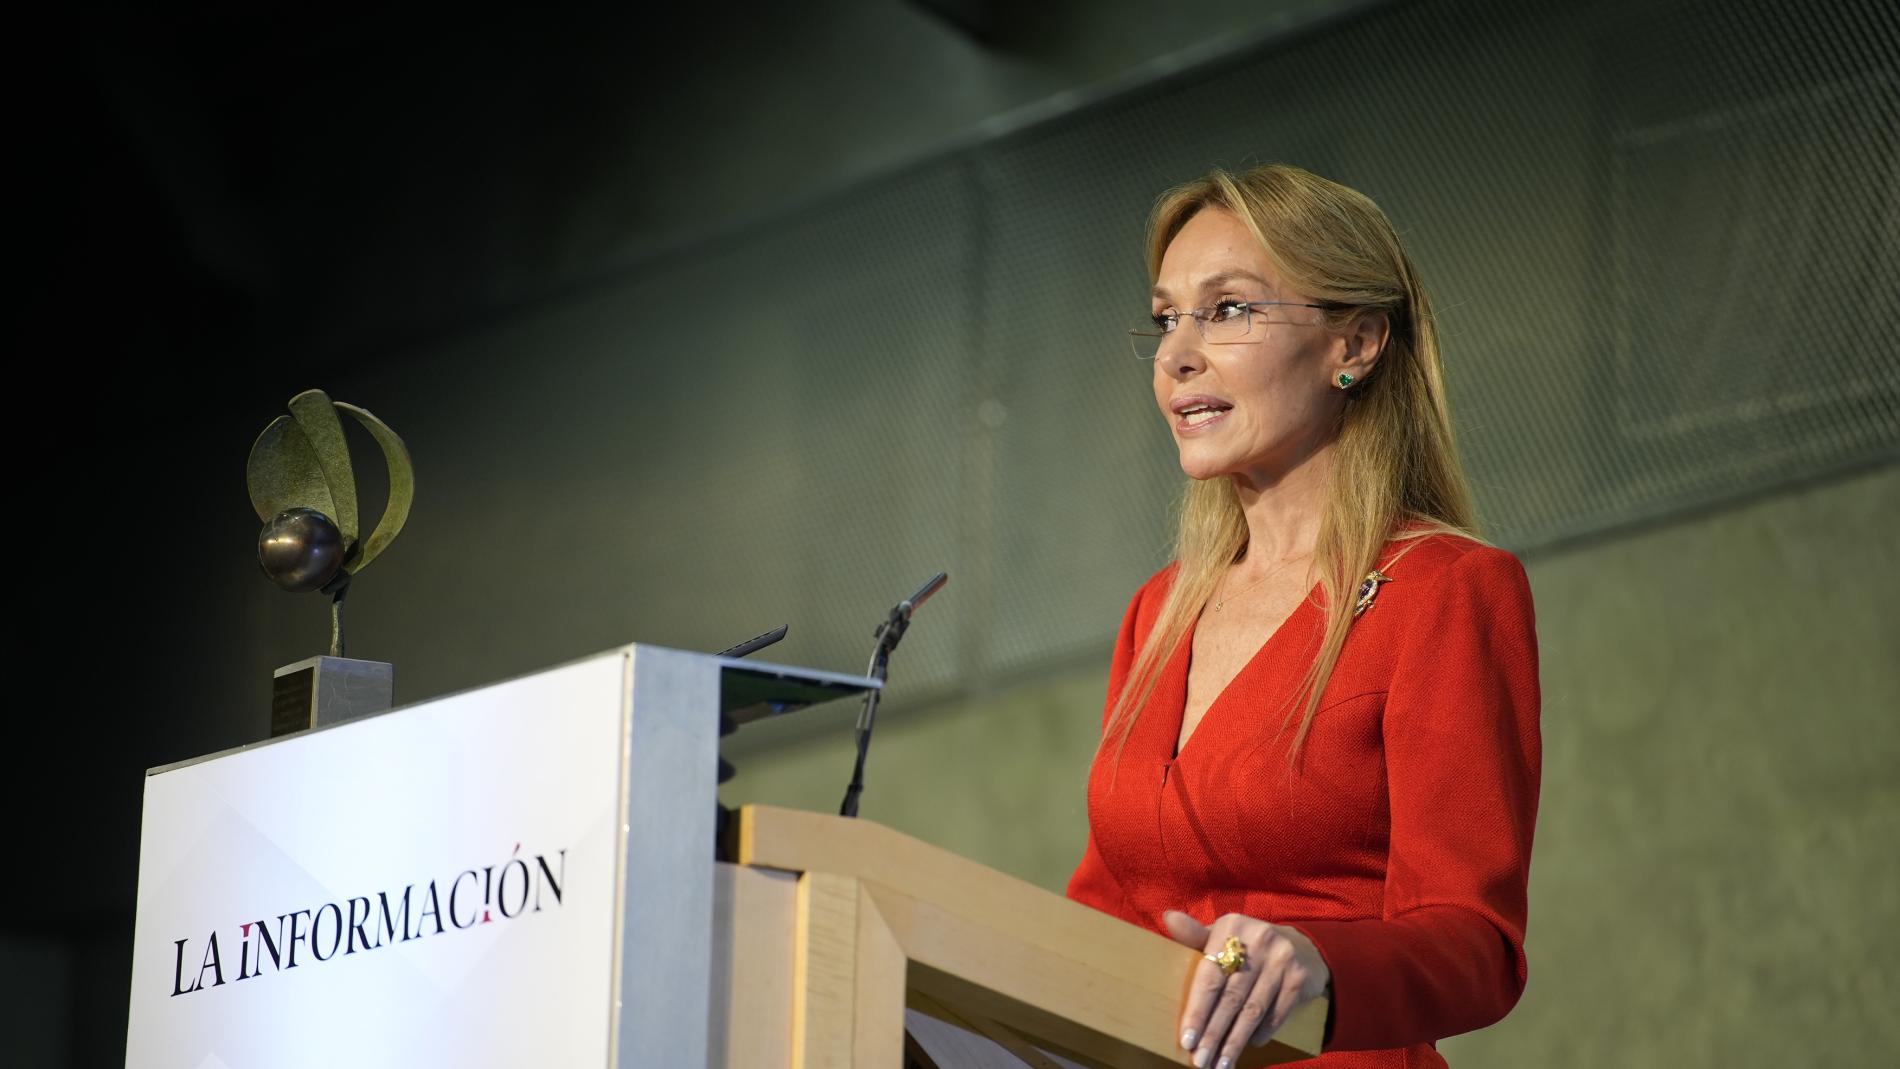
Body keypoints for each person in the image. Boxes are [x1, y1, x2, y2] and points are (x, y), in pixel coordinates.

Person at [1066, 164, 1541, 1069]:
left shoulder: (1446, 589)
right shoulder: (1158, 612)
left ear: (1354, 344)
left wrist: (1320, 962)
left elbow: (1478, 944)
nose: (1177, 355)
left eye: (1229, 310)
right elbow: (1106, 908)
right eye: (1167, 318)